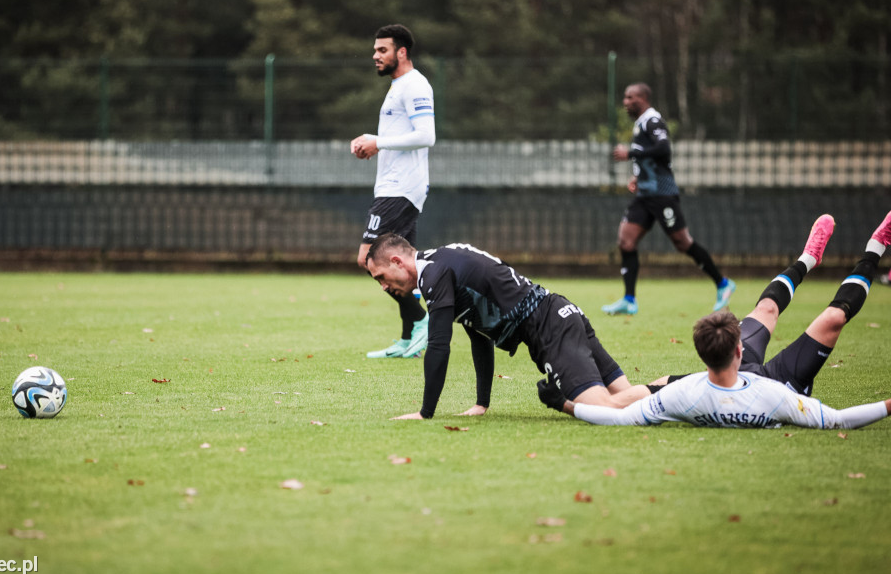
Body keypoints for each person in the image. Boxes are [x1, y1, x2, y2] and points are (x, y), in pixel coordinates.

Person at [563, 210, 891, 429]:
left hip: (722, 380)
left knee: (765, 309)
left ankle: (807, 259)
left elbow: (623, 419)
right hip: (779, 379)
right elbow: (837, 420)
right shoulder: (775, 398)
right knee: (833, 317)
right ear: (738, 350)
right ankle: (875, 247)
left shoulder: (685, 392)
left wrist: (566, 404)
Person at [364, 234, 652, 419]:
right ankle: (680, 388)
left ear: (397, 261)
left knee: (601, 408)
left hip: (551, 328)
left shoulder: (432, 274)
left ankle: (686, 388)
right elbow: (479, 336)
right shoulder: (441, 262)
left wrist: (425, 413)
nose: (383, 286)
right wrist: (482, 403)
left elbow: (439, 344)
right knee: (624, 398)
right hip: (560, 315)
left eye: (380, 277)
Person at [602, 83, 735, 316]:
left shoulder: (653, 121)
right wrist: (636, 175)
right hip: (645, 195)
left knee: (683, 243)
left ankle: (723, 284)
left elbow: (663, 149)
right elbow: (651, 159)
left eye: (629, 97)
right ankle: (629, 300)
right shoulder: (640, 124)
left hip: (662, 194)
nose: (625, 102)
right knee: (626, 241)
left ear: (642, 99)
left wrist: (630, 154)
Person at [351, 24, 434, 359]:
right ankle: (407, 339)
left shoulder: (414, 85)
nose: (375, 56)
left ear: (401, 52)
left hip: (399, 190)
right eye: (375, 50)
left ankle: (422, 321)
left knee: (369, 258)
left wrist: (379, 142)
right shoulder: (399, 86)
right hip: (397, 187)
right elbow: (403, 135)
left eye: (382, 50)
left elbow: (426, 135)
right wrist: (372, 141)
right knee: (403, 268)